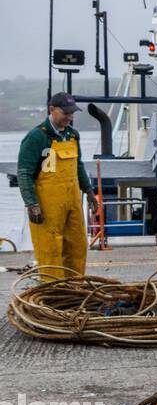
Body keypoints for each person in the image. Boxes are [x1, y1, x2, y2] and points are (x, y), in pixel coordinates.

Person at [18, 92, 96, 280]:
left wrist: (89, 190)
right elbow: (24, 172)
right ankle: (54, 291)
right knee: (50, 248)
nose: (70, 117)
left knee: (77, 245)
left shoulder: (72, 135)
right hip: (47, 206)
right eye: (65, 113)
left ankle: (75, 289)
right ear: (52, 110)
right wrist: (31, 203)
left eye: (72, 113)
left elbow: (78, 165)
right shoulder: (36, 137)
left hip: (72, 202)